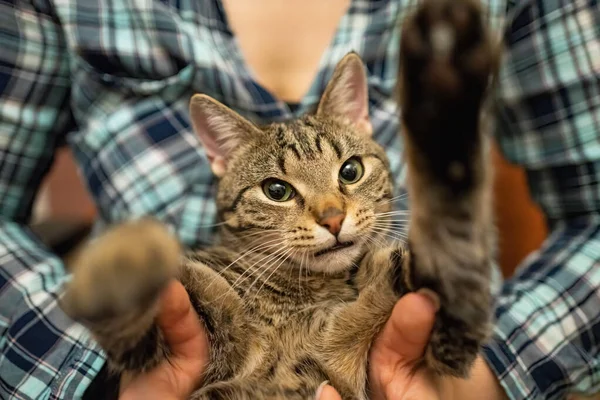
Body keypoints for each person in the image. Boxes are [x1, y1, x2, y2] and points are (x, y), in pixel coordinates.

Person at [0, 0, 598, 399]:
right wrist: (94, 383)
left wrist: (486, 381)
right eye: (281, 190)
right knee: (183, 292)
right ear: (222, 162)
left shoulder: (378, 264)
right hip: (216, 356)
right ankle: (124, 308)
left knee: (423, 282)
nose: (331, 214)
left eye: (349, 173)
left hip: (391, 363)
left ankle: (449, 183)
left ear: (361, 120)